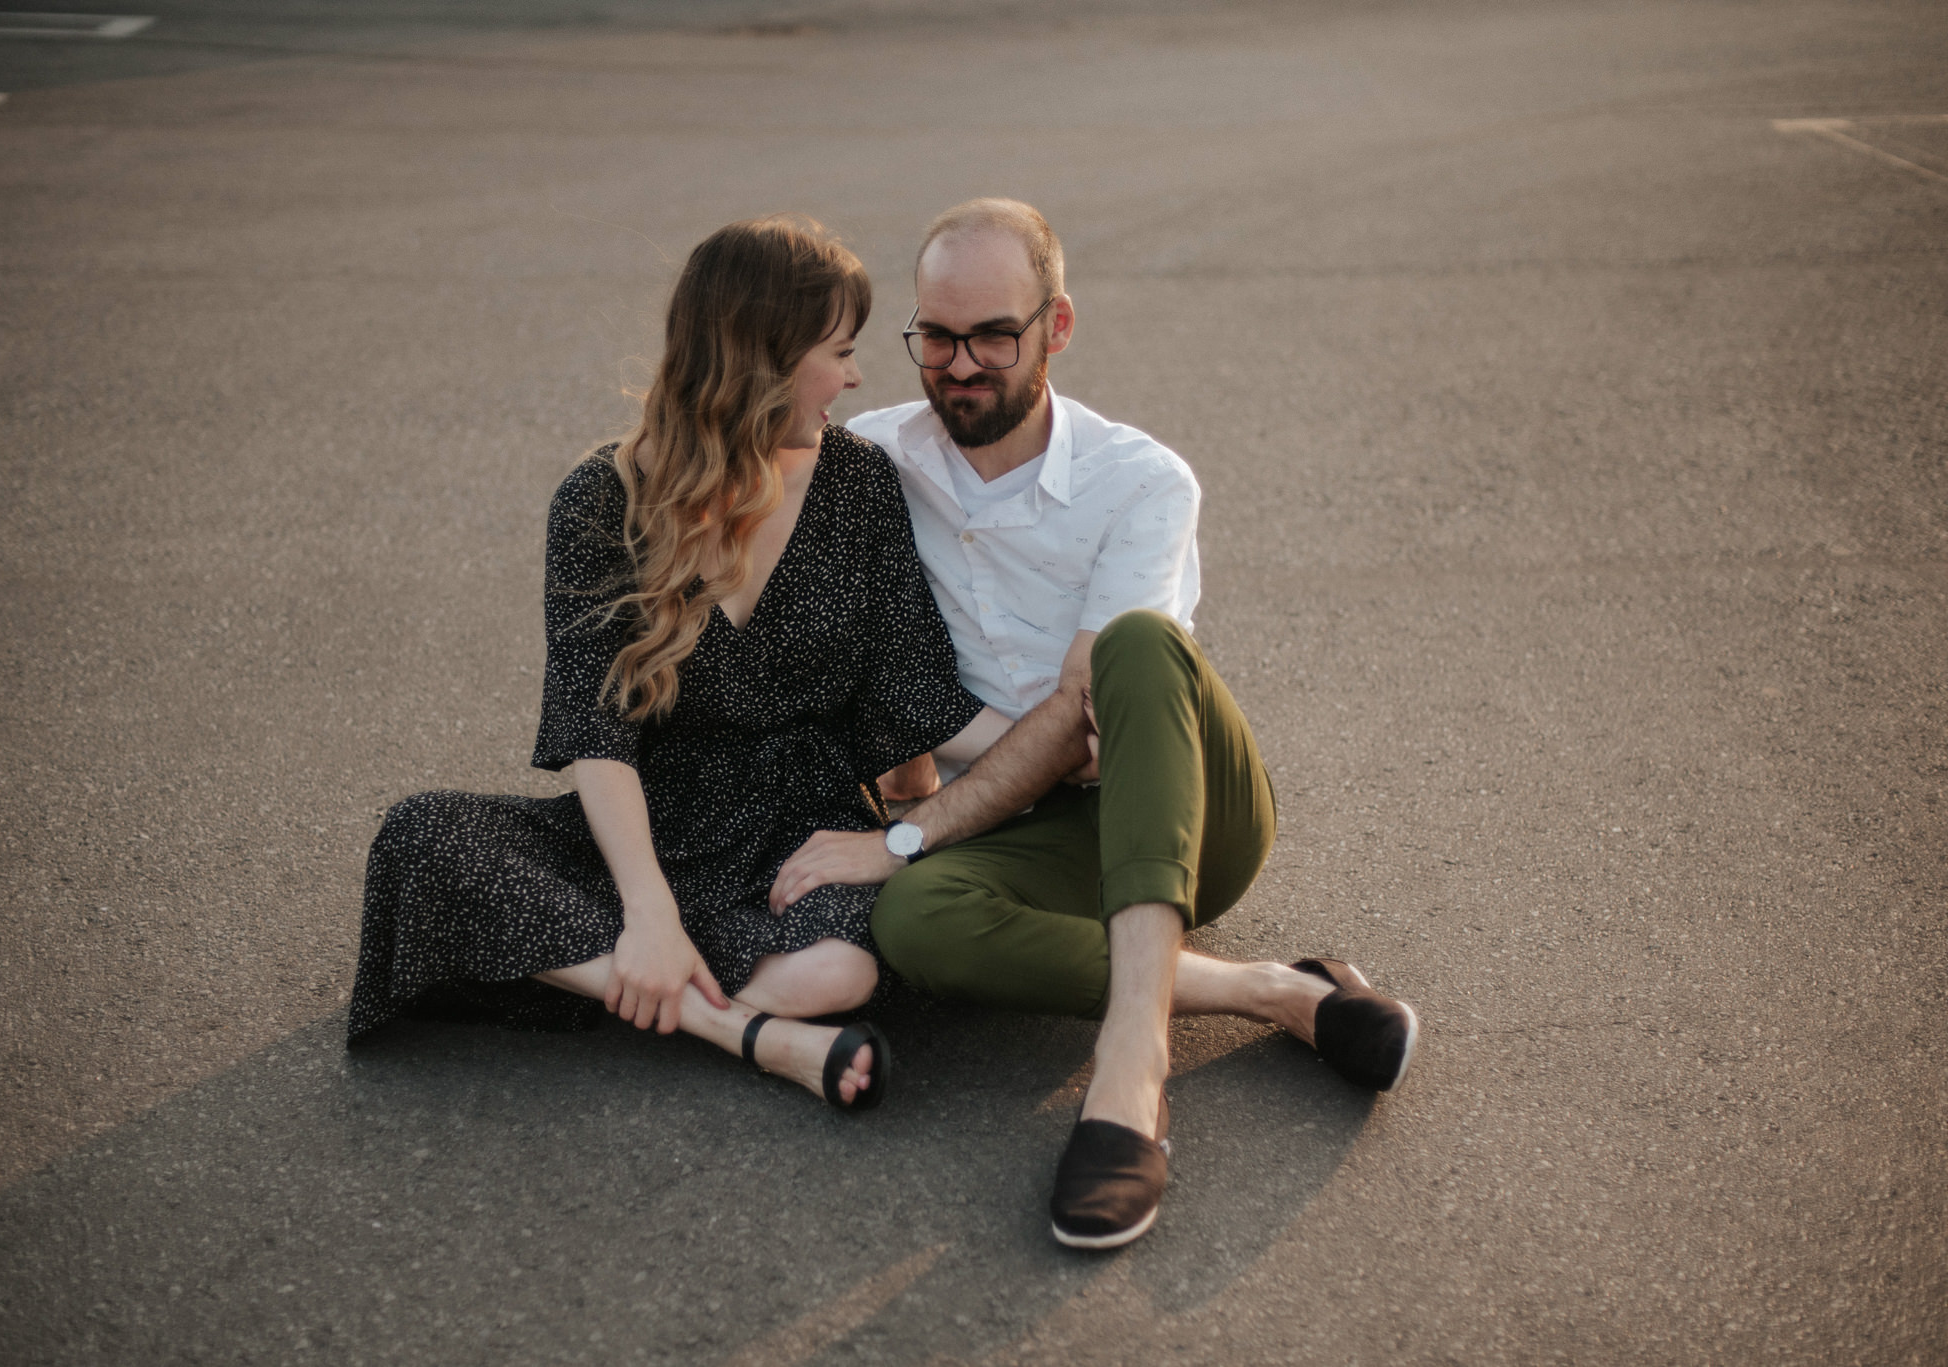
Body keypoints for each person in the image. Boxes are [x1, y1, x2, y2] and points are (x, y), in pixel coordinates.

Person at [770, 199, 1418, 1242]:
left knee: (1132, 646)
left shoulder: (1140, 481)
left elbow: (1084, 721)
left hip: (1178, 807)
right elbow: (854, 655)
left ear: (1055, 328)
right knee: (913, 919)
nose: (959, 363)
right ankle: (1273, 992)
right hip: (1030, 833)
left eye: (993, 334)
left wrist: (905, 834)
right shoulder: (871, 459)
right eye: (934, 336)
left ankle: (1130, 1074)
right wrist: (904, 809)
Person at [347, 215, 1017, 1110]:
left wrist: (1057, 745)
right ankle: (751, 1035)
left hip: (802, 836)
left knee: (840, 970)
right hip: (648, 827)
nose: (856, 377)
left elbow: (912, 688)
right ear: (763, 359)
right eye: (840, 351)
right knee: (422, 836)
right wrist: (648, 909)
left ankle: (627, 980)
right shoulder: (602, 498)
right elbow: (596, 727)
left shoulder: (859, 483)